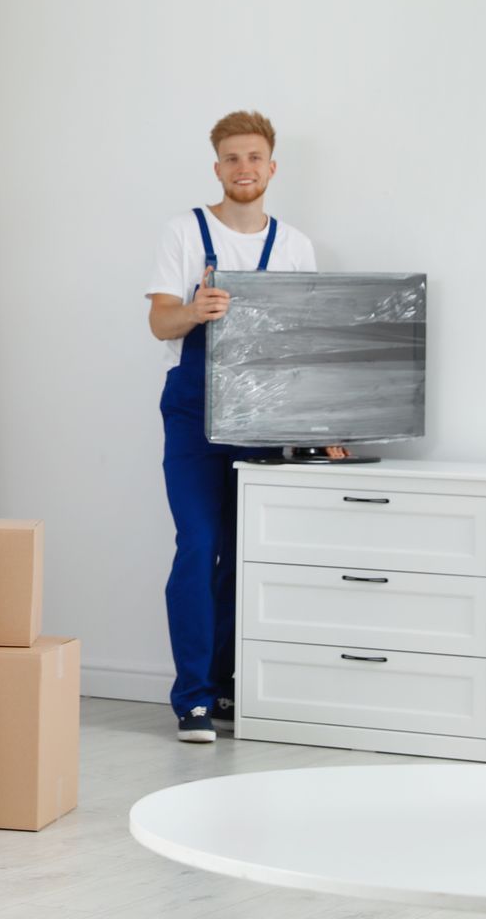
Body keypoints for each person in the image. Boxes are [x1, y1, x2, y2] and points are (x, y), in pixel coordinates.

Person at [144, 109, 332, 743]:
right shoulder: (185, 231)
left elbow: (304, 347)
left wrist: (322, 426)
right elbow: (159, 323)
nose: (243, 168)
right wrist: (195, 310)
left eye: (254, 157)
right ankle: (191, 698)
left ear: (272, 167)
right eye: (231, 158)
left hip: (265, 415)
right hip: (195, 413)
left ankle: (224, 687)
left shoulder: (297, 245)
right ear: (217, 167)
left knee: (243, 555)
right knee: (198, 546)